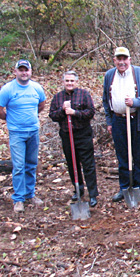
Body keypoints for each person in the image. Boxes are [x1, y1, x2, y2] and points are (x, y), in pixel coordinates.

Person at [102, 47, 140, 202]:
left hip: (136, 120)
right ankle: (124, 187)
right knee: (122, 155)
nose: (122, 62)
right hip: (118, 120)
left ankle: (139, 184)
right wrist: (109, 121)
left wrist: (134, 102)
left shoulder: (138, 73)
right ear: (114, 60)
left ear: (129, 60)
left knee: (139, 155)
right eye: (119, 59)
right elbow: (106, 100)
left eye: (125, 59)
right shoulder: (109, 75)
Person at [0, 59, 46, 212]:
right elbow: (0, 108)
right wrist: (9, 119)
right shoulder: (8, 90)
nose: (24, 72)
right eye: (21, 70)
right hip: (16, 133)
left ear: (30, 71)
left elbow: (41, 105)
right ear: (15, 72)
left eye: (26, 70)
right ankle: (18, 199)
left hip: (33, 131)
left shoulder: (36, 88)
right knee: (18, 166)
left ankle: (30, 194)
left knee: (31, 163)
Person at [49, 71, 99, 207]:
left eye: (72, 81)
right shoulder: (58, 97)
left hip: (83, 134)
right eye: (67, 81)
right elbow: (52, 115)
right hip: (66, 134)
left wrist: (75, 113)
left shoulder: (84, 94)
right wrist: (62, 110)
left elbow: (90, 112)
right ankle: (78, 189)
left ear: (76, 82)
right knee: (72, 163)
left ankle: (93, 194)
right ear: (63, 82)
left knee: (88, 164)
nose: (69, 83)